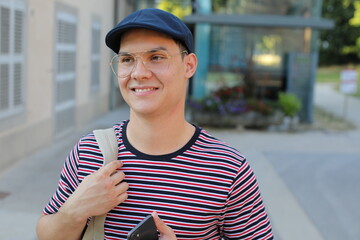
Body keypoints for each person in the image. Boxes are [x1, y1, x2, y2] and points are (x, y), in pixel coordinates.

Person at [36, 8, 273, 240]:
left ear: (189, 65)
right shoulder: (88, 151)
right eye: (127, 59)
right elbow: (46, 234)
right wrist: (75, 211)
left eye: (156, 57)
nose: (139, 73)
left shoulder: (228, 169)